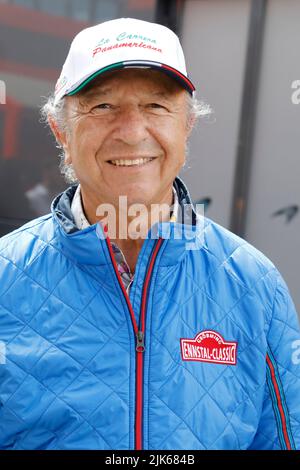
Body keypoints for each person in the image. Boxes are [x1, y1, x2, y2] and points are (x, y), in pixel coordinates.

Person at [0, 17, 299, 451]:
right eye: (102, 106)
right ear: (61, 130)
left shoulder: (255, 284)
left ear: (187, 125)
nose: (133, 131)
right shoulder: (6, 278)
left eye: (157, 106)